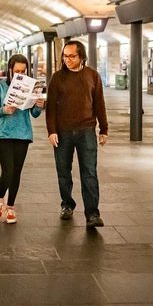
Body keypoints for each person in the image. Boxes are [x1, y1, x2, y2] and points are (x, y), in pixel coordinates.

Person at [45, 40, 108, 228]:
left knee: (89, 172)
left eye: (71, 56)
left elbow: (99, 104)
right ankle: (67, 204)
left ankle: (92, 213)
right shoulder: (57, 78)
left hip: (86, 131)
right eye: (65, 56)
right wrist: (52, 131)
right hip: (63, 133)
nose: (67, 60)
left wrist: (103, 129)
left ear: (82, 56)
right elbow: (51, 108)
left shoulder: (92, 76)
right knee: (63, 171)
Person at [0, 54, 44, 224]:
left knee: (17, 172)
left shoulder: (31, 87)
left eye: (23, 71)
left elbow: (34, 114)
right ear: (10, 71)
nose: (20, 74)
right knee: (8, 170)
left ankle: (11, 207)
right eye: (16, 71)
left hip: (23, 133)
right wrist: (4, 110)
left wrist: (39, 106)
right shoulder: (0, 87)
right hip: (4, 133)